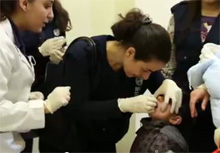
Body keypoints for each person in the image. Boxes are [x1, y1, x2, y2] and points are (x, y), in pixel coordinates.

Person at [39, 8, 182, 152]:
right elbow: (75, 108)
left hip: (104, 143)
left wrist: (168, 83)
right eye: (146, 70)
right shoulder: (83, 54)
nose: (146, 77)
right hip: (69, 143)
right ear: (130, 53)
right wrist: (122, 105)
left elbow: (159, 83)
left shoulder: (143, 65)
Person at [0, 0, 71, 153]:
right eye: (46, 6)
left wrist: (24, 98)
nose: (51, 15)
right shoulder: (1, 43)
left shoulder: (11, 37)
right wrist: (44, 107)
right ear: (24, 4)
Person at [163, 0, 220, 151]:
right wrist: (166, 89)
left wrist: (207, 87)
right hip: (181, 104)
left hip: (216, 108)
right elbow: (168, 62)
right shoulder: (180, 13)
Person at [21, 0, 72, 90]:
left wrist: (62, 56)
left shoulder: (58, 15)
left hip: (51, 82)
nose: (50, 15)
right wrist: (39, 53)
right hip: (25, 86)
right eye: (46, 6)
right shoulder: (14, 26)